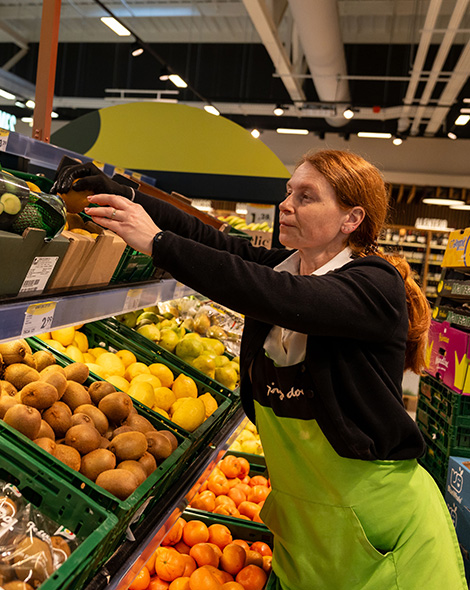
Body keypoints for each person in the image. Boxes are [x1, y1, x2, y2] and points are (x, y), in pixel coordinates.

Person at [54, 150, 466, 590]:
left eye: (306, 197)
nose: (286, 204)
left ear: (351, 219)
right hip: (304, 530)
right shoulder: (285, 266)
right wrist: (124, 196)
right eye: (289, 192)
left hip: (383, 535)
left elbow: (275, 294)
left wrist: (156, 242)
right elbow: (212, 241)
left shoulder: (374, 284)